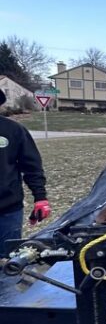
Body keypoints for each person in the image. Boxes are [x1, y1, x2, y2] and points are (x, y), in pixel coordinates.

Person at [0, 88, 51, 255]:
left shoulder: (13, 130)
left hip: (8, 209)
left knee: (8, 261)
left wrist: (40, 197)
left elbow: (31, 166)